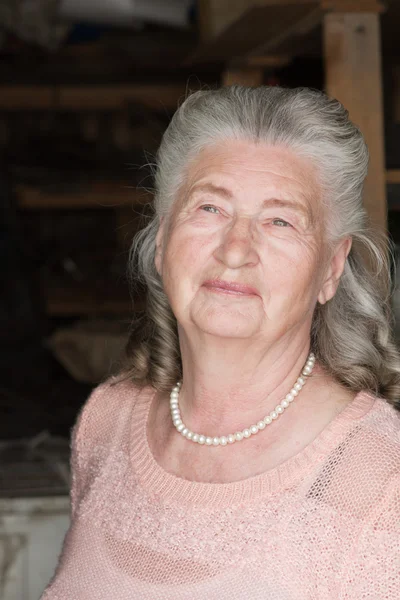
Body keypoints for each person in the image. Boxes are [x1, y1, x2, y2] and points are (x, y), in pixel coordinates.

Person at [41, 85, 400, 600]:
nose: (235, 251)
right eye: (210, 208)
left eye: (280, 221)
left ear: (332, 267)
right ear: (162, 241)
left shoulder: (379, 483)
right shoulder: (108, 419)